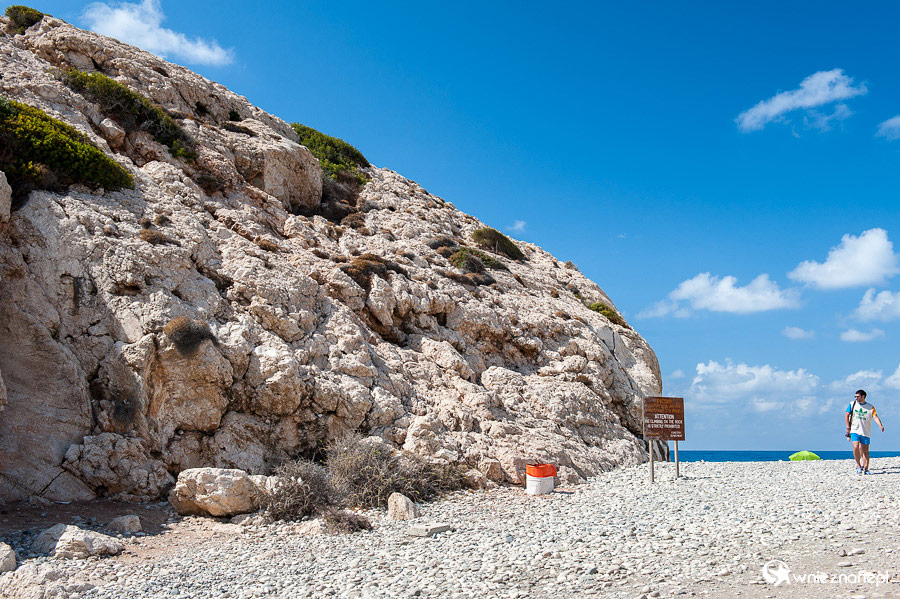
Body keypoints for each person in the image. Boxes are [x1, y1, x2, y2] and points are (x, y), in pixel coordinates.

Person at [845, 389, 885, 474]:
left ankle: (866, 468)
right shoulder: (852, 404)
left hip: (865, 431)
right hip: (855, 429)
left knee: (865, 450)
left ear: (863, 396)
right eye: (855, 396)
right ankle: (858, 465)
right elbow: (846, 415)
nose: (856, 398)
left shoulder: (870, 407)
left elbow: (875, 416)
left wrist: (880, 425)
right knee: (855, 446)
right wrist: (848, 427)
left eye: (858, 396)